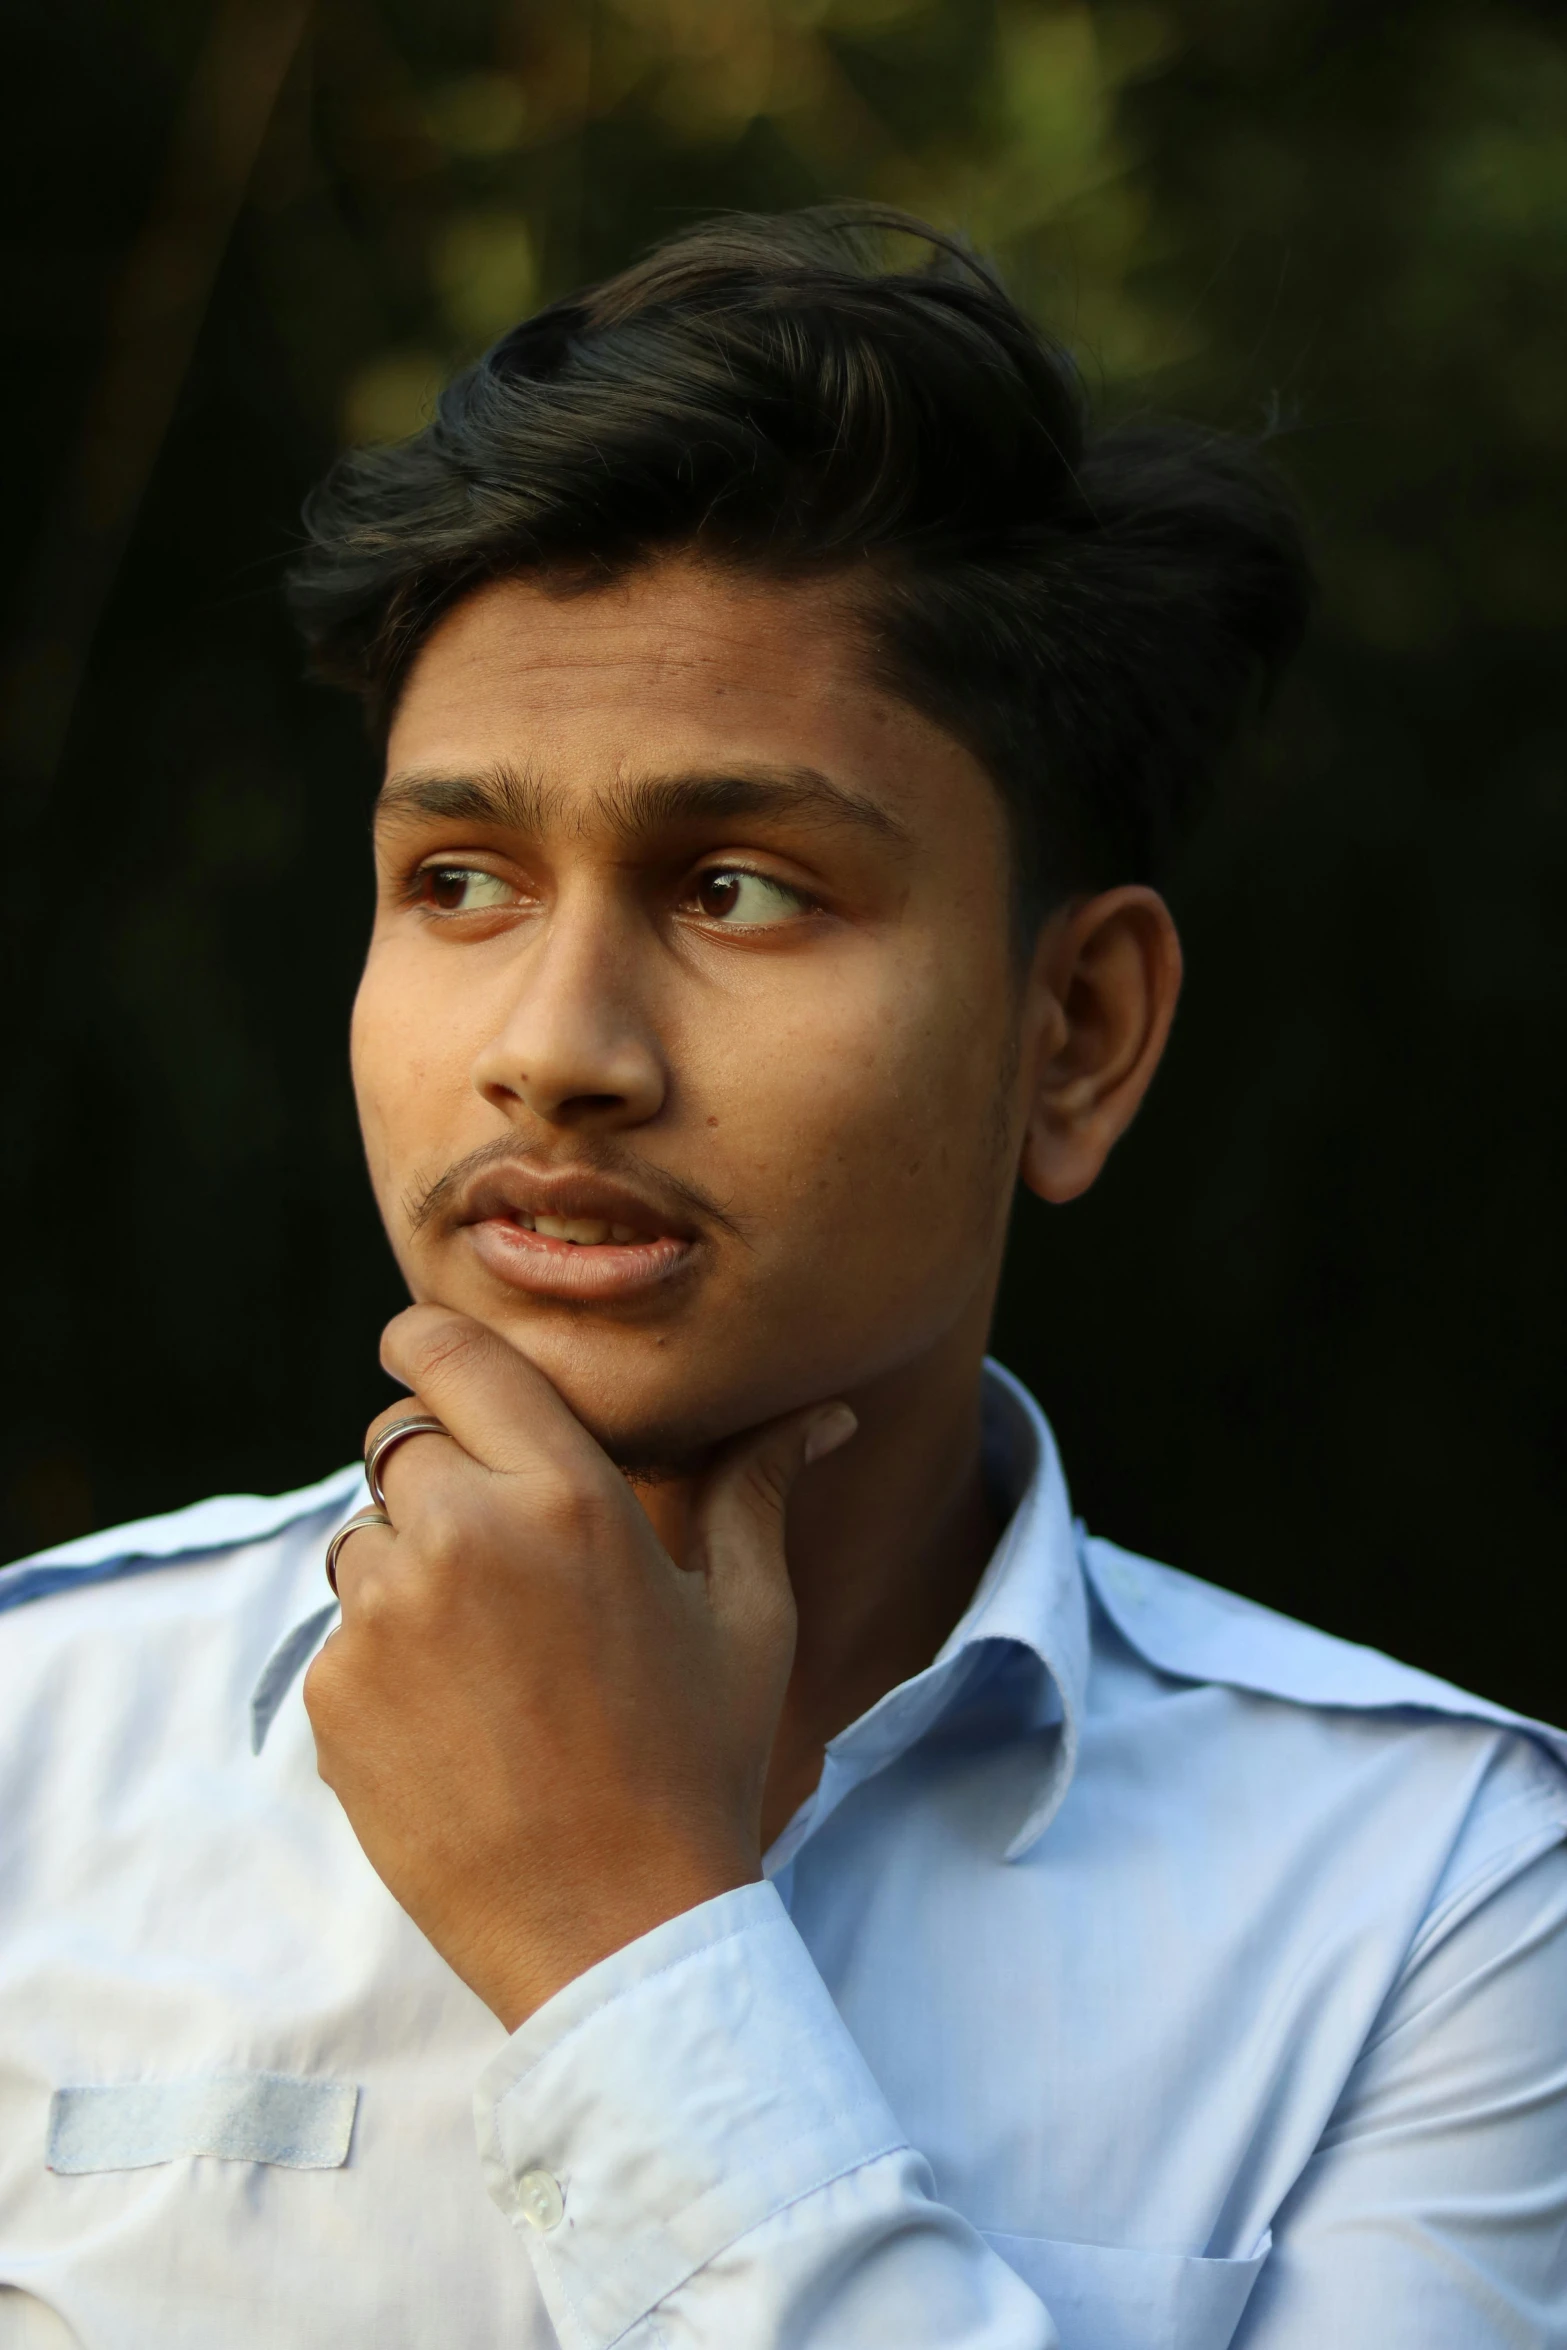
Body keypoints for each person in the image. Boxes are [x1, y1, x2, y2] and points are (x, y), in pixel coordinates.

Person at [1, 208, 1563, 2350]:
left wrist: (626, 1936)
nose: (553, 1042)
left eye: (740, 886)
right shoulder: (31, 1751)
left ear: (1077, 1030)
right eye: (456, 877)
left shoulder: (1441, 1910)